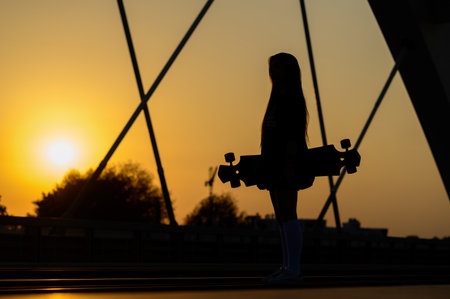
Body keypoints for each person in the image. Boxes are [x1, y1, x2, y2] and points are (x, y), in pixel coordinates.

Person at [261, 53, 308, 284]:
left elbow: (292, 136)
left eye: (277, 67)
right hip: (273, 162)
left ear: (288, 70)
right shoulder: (277, 98)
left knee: (289, 214)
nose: (273, 71)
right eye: (271, 67)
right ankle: (286, 266)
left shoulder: (291, 99)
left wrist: (289, 166)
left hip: (286, 163)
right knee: (281, 216)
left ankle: (294, 269)